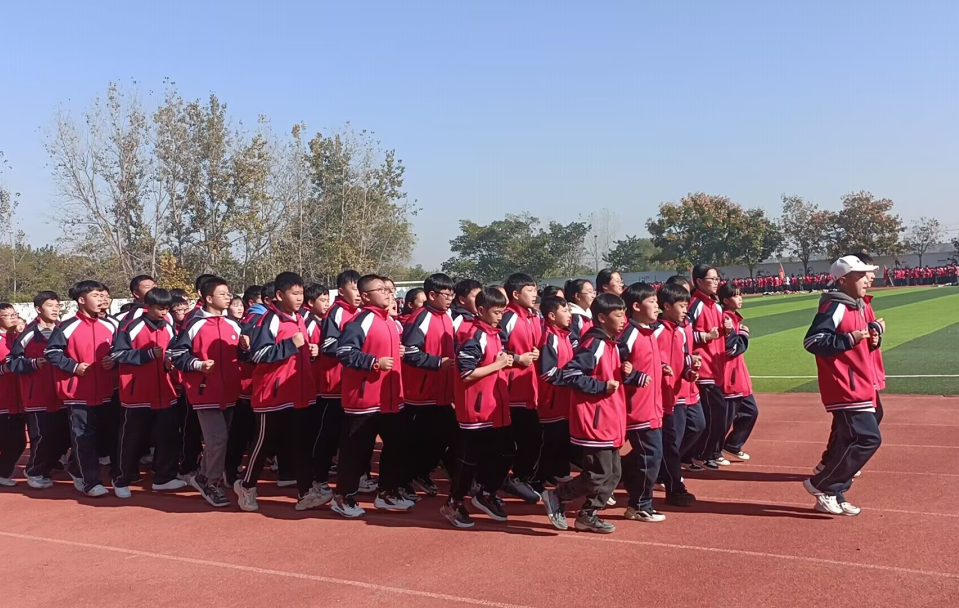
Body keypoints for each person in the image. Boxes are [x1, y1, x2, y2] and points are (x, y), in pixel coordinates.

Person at [802, 255, 883, 517]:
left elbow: (858, 342)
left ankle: (834, 492)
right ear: (843, 280)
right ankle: (822, 484)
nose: (867, 280)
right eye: (860, 275)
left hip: (859, 383)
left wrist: (872, 335)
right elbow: (813, 341)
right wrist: (849, 339)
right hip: (845, 386)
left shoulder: (855, 306)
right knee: (868, 438)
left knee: (848, 441)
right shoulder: (835, 307)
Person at [542, 293, 627, 534]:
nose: (623, 320)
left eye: (623, 314)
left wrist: (629, 373)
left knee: (614, 473)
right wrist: (601, 386)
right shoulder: (595, 344)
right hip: (595, 419)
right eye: (618, 315)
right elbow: (571, 373)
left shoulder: (610, 344)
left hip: (610, 418)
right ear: (602, 318)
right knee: (598, 473)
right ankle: (558, 495)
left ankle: (588, 515)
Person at [235, 272, 320, 512]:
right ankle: (247, 486)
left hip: (298, 393)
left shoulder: (300, 318)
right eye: (295, 293)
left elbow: (298, 354)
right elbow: (258, 354)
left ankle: (305, 492)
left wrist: (311, 352)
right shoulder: (270, 320)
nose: (299, 298)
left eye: (301, 293)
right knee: (263, 443)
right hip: (272, 394)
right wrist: (291, 345)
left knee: (300, 444)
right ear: (280, 295)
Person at [334, 274, 410, 517]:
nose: (388, 293)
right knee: (356, 451)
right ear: (366, 296)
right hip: (365, 399)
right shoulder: (361, 320)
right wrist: (374, 362)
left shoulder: (391, 322)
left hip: (391, 399)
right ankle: (343, 497)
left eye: (388, 289)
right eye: (381, 290)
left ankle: (387, 492)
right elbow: (344, 352)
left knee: (397, 445)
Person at [440, 286, 514, 528]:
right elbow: (466, 373)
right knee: (468, 461)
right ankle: (453, 502)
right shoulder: (475, 335)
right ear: (481, 310)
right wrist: (497, 365)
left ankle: (485, 493)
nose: (500, 316)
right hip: (476, 411)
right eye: (496, 312)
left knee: (503, 454)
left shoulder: (494, 334)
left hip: (495, 409)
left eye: (502, 312)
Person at [170, 276, 243, 508]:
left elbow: (242, 355)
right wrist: (198, 365)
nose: (228, 297)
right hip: (204, 390)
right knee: (217, 439)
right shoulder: (194, 323)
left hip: (230, 390)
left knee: (221, 440)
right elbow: (176, 355)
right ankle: (212, 483)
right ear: (209, 298)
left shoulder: (233, 324)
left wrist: (245, 348)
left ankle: (203, 476)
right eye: (223, 294)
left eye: (229, 293)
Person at [109, 288, 185, 498]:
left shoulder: (168, 325)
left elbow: (174, 348)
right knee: (131, 438)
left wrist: (170, 360)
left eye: (167, 308)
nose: (164, 312)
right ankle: (121, 478)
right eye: (160, 308)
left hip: (165, 391)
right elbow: (117, 354)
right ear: (148, 307)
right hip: (137, 393)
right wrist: (147, 354)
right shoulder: (131, 326)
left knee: (167, 437)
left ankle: (164, 478)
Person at [45, 281, 116, 497]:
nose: (101, 299)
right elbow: (51, 353)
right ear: (81, 300)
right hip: (77, 393)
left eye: (102, 295)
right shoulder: (66, 326)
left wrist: (113, 361)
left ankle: (77, 469)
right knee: (83, 436)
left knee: (101, 437)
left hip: (105, 391)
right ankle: (89, 481)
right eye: (96, 295)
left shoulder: (111, 325)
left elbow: (119, 351)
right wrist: (74, 367)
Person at [317, 270, 377, 494]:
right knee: (330, 435)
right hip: (334, 386)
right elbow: (328, 345)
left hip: (353, 386)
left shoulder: (362, 313)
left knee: (357, 436)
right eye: (354, 289)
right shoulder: (335, 312)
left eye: (360, 290)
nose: (359, 294)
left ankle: (360, 475)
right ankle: (318, 479)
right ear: (341, 291)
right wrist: (352, 346)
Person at [402, 273, 457, 497]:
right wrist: (437, 363)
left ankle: (420, 472)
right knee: (421, 440)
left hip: (441, 391)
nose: (450, 299)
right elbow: (409, 352)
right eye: (446, 294)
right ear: (432, 295)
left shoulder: (446, 317)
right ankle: (407, 479)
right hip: (421, 393)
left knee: (444, 437)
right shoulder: (421, 317)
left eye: (452, 294)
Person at [618, 283, 666, 522]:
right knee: (652, 455)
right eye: (652, 302)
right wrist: (633, 376)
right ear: (636, 306)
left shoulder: (648, 331)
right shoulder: (629, 333)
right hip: (636, 408)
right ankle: (640, 505)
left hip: (652, 406)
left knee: (648, 454)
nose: (657, 306)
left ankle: (622, 478)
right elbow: (613, 363)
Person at [11, 292, 67, 489]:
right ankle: (34, 471)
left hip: (61, 394)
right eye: (50, 305)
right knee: (41, 436)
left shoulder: (62, 330)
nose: (55, 309)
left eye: (57, 305)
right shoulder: (28, 334)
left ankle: (46, 466)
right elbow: (13, 362)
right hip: (36, 395)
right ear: (38, 309)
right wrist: (33, 363)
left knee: (59, 435)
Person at [499, 273, 543, 503]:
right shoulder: (509, 317)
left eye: (535, 289)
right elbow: (494, 346)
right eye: (529, 290)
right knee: (524, 439)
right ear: (515, 294)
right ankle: (509, 480)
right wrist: (518, 358)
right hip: (512, 390)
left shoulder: (532, 316)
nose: (535, 294)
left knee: (532, 439)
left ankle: (520, 479)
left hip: (529, 388)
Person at [655, 283, 698, 507]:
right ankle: (674, 487)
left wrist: (690, 371)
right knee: (669, 443)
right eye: (682, 305)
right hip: (660, 397)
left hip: (678, 393)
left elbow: (683, 359)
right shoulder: (656, 331)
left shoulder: (680, 331)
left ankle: (661, 475)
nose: (685, 310)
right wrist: (660, 368)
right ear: (666, 306)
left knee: (688, 432)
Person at [687, 265, 729, 470]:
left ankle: (707, 452)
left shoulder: (716, 306)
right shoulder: (695, 304)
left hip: (715, 367)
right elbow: (684, 333)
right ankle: (702, 453)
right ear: (699, 282)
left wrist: (726, 330)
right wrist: (705, 336)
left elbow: (718, 334)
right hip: (703, 369)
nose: (716, 282)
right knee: (714, 414)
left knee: (716, 413)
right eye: (712, 279)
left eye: (717, 278)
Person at [535, 296, 574, 490]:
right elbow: (547, 373)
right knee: (550, 441)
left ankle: (558, 472)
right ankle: (538, 478)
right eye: (565, 311)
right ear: (551, 316)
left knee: (561, 439)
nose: (569, 314)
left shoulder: (563, 336)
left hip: (563, 400)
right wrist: (573, 378)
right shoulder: (550, 337)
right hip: (551, 400)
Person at [717, 282, 758, 461]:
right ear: (725, 300)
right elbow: (732, 349)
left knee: (751, 411)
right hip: (730, 377)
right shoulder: (725, 319)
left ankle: (733, 444)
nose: (740, 298)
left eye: (740, 295)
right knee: (724, 419)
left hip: (739, 376)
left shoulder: (733, 319)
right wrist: (743, 334)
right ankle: (713, 451)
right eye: (735, 295)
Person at [0, 302, 25, 487]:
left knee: (18, 443)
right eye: (8, 315)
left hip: (19, 401)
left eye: (14, 314)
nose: (13, 318)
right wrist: (4, 369)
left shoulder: (19, 338)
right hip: (2, 400)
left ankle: (2, 474)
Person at [563, 278, 595, 349]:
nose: (593, 296)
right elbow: (573, 342)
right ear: (577, 296)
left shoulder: (589, 315)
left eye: (593, 292)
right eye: (589, 292)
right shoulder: (573, 317)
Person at [451, 278, 482, 344]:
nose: (480, 300)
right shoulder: (457, 320)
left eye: (481, 297)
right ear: (462, 300)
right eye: (476, 297)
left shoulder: (480, 318)